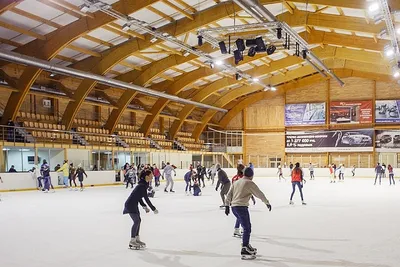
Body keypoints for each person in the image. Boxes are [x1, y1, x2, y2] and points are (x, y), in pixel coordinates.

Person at [225, 167, 272, 260]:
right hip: (241, 207)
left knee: (246, 227)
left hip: (234, 207)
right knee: (247, 228)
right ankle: (244, 249)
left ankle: (246, 245)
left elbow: (229, 193)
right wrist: (267, 202)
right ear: (251, 175)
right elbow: (259, 194)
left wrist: (227, 205)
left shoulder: (237, 181)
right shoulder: (249, 183)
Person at [123, 170, 158, 249]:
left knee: (138, 220)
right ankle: (132, 241)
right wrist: (153, 208)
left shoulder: (143, 184)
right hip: (130, 204)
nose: (152, 176)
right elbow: (146, 198)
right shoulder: (142, 186)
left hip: (134, 204)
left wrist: (144, 207)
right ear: (147, 176)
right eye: (151, 175)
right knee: (136, 221)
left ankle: (136, 239)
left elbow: (139, 197)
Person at [231, 164, 255, 238]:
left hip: (234, 198)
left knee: (239, 216)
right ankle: (239, 229)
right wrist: (252, 197)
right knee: (241, 216)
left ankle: (239, 229)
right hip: (241, 200)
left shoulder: (234, 178)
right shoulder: (243, 178)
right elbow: (246, 189)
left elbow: (232, 189)